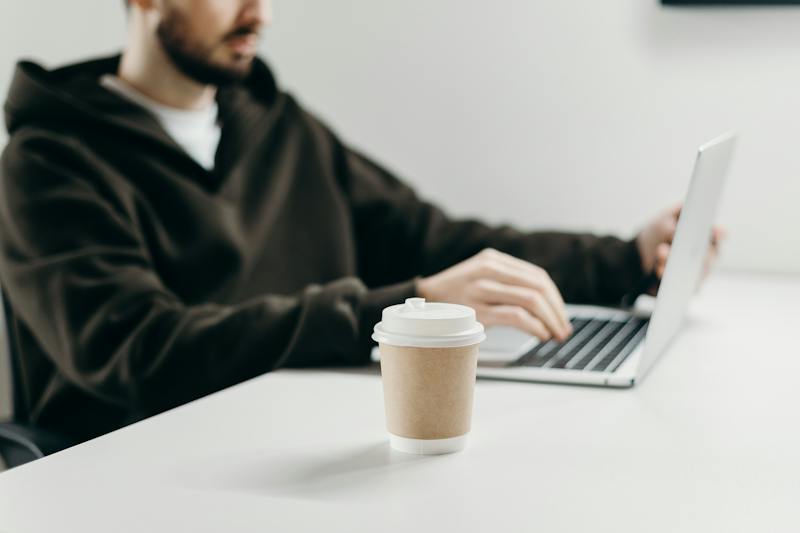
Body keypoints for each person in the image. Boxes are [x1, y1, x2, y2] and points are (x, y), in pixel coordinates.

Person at [0, 0, 720, 444]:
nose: (262, 13)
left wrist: (626, 256)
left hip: (291, 446)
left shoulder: (276, 125)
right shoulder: (47, 163)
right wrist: (395, 310)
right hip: (134, 481)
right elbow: (141, 351)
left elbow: (432, 239)